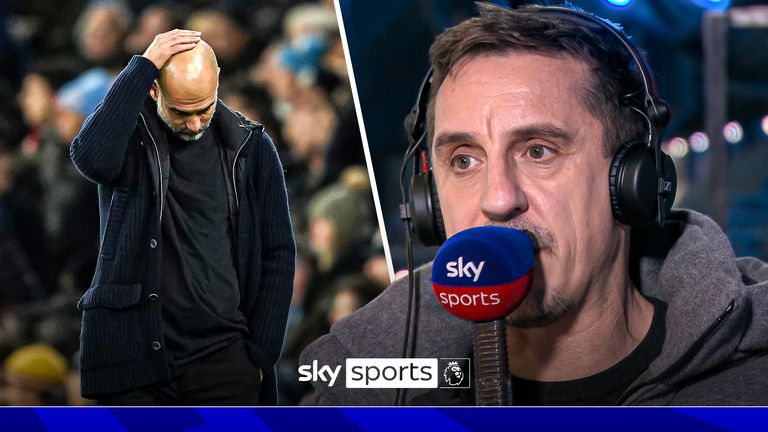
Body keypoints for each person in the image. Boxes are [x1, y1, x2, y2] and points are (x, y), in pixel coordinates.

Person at [300, 4, 768, 405]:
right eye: (464, 160)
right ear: (427, 205)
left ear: (632, 182)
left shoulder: (752, 380)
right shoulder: (359, 390)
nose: (498, 199)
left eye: (538, 151)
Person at [70, 29, 295, 405]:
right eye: (181, 111)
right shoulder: (129, 134)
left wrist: (260, 354)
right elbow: (90, 157)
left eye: (203, 108)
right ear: (154, 91)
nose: (194, 124)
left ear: (218, 81)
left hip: (224, 359)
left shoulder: (252, 148)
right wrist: (142, 68)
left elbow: (279, 252)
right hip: (133, 360)